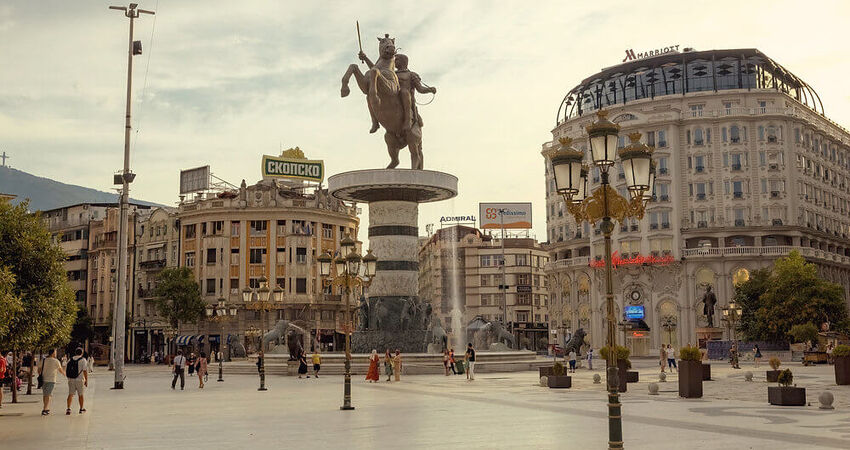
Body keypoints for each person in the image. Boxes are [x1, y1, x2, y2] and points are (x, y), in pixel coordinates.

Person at [394, 54, 437, 132]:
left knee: (404, 92)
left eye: (397, 60)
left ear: (403, 61)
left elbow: (420, 89)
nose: (394, 61)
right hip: (394, 95)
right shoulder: (392, 74)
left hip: (406, 98)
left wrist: (430, 89)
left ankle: (408, 119)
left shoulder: (411, 75)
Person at [39, 349, 64, 415]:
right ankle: (45, 409)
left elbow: (39, 370)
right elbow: (60, 370)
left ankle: (46, 408)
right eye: (55, 352)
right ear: (53, 353)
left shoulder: (43, 360)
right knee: (48, 395)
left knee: (45, 394)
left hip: (43, 379)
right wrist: (65, 374)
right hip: (51, 379)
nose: (56, 353)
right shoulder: (56, 361)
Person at [65, 347, 88, 415]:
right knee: (80, 395)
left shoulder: (70, 359)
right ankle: (81, 408)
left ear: (75, 352)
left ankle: (68, 408)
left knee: (70, 394)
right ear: (82, 353)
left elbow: (67, 369)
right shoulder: (83, 360)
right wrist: (86, 380)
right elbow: (85, 371)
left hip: (71, 379)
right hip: (79, 380)